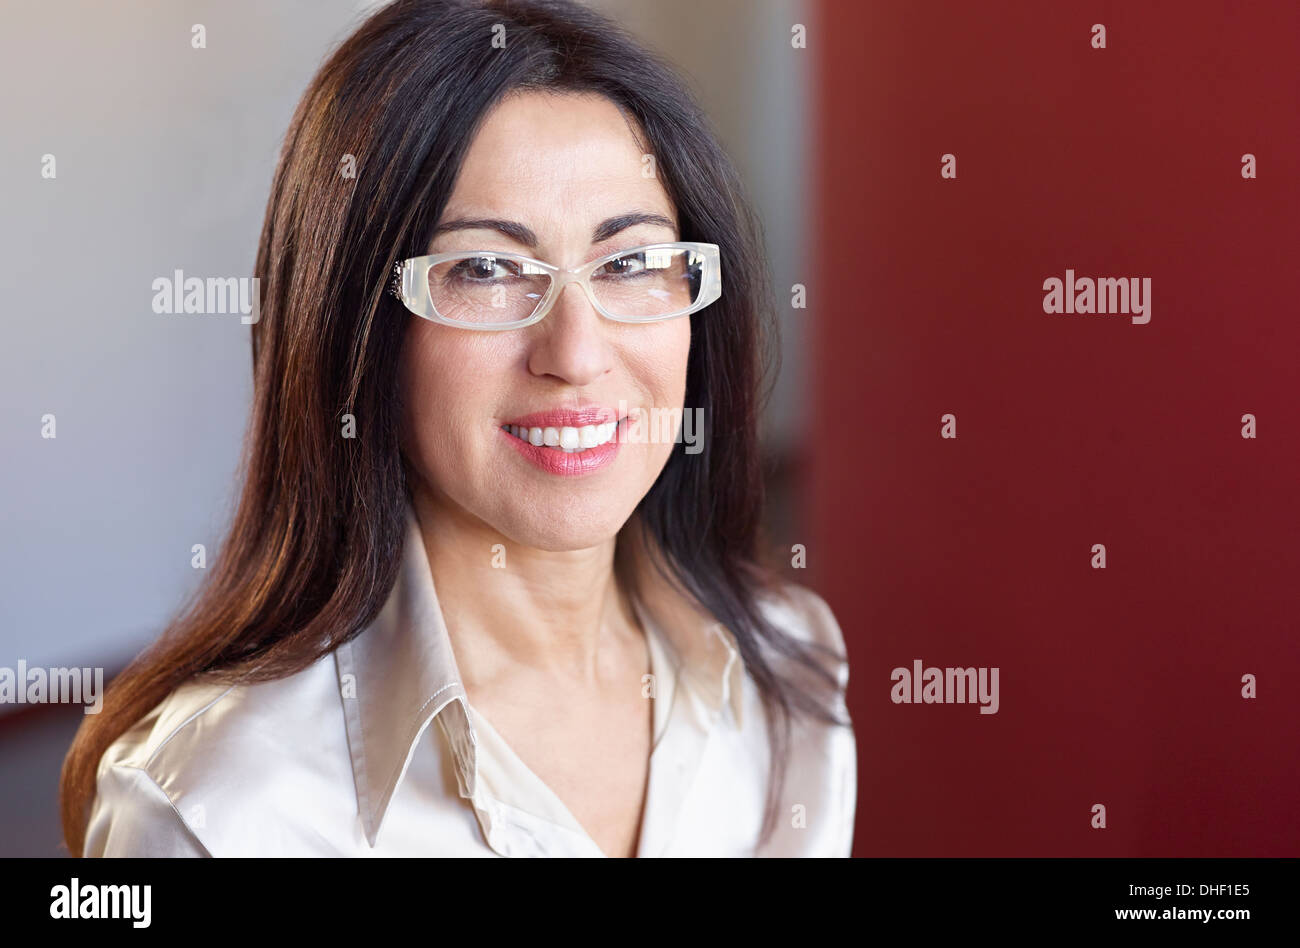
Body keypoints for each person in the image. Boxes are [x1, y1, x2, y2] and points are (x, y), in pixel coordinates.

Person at [61, 0, 855, 857]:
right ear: (355, 327)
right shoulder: (217, 812)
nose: (576, 352)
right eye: (486, 270)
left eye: (629, 262)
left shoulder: (788, 665)